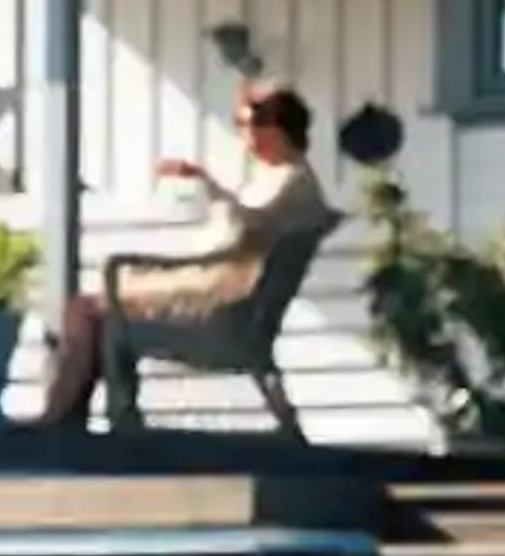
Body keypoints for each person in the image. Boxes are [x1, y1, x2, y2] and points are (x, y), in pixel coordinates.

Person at [31, 83, 337, 431]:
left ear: (274, 127)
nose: (243, 134)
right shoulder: (278, 179)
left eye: (246, 123)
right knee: (92, 311)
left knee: (91, 312)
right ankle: (71, 421)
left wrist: (208, 184)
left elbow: (247, 228)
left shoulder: (293, 182)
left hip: (220, 307)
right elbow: (244, 230)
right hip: (222, 296)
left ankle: (69, 422)